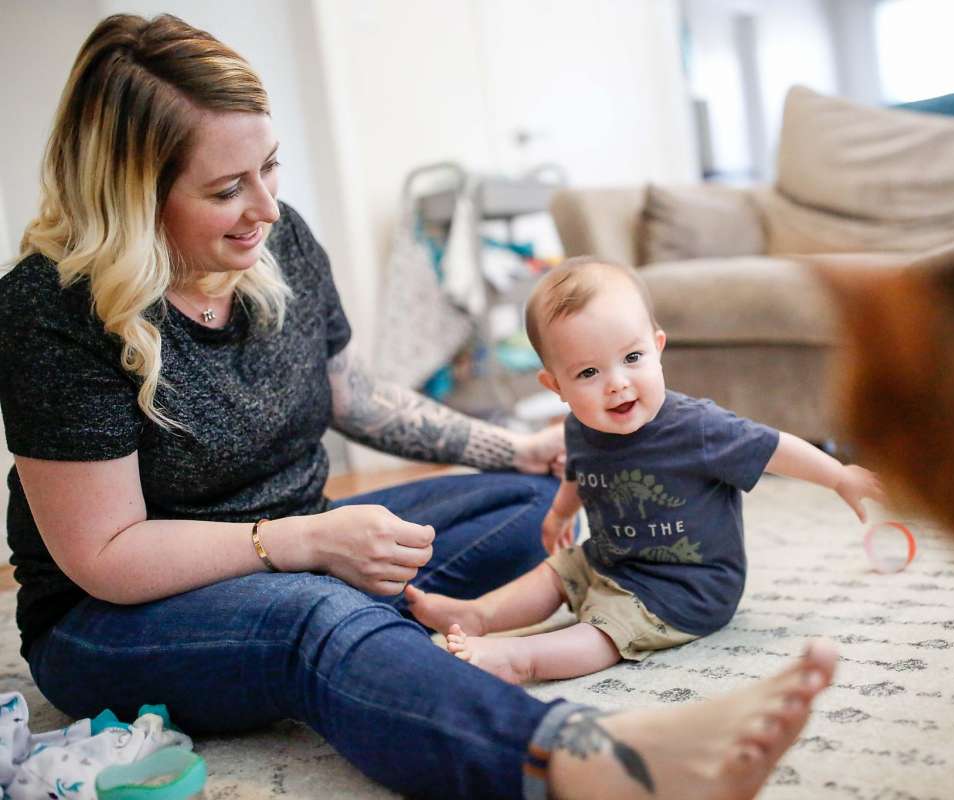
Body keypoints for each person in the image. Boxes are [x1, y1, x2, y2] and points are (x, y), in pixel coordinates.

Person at [0, 14, 839, 800]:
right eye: (226, 189)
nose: (265, 206)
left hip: (294, 541)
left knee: (527, 511)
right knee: (314, 614)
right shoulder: (51, 308)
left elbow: (348, 393)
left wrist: (518, 450)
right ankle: (580, 762)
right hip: (111, 618)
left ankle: (373, 656)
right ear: (133, 195)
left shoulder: (278, 238)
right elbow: (103, 554)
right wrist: (302, 544)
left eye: (271, 166)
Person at [406, 258, 883, 684]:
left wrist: (838, 476)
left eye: (632, 358)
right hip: (612, 558)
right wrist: (557, 515)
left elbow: (773, 447)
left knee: (604, 633)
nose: (616, 385)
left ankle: (522, 660)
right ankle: (479, 616)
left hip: (686, 589)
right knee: (558, 570)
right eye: (588, 373)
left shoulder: (697, 427)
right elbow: (580, 474)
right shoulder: (578, 427)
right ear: (556, 386)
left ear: (657, 348)